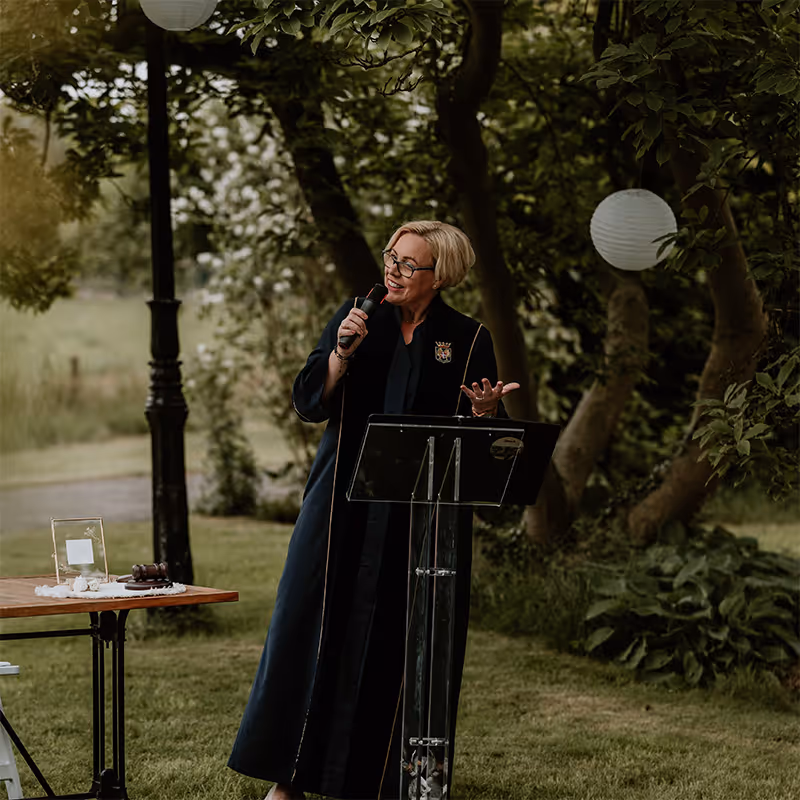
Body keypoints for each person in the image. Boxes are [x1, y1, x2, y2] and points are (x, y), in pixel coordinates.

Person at [228, 221, 519, 800]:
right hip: (339, 508)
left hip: (419, 520)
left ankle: (389, 782)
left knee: (400, 641)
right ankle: (289, 780)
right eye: (393, 256)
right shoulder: (356, 317)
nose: (394, 269)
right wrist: (339, 354)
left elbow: (489, 450)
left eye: (410, 264)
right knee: (309, 628)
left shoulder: (466, 339)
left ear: (442, 276)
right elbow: (309, 398)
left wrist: (485, 413)